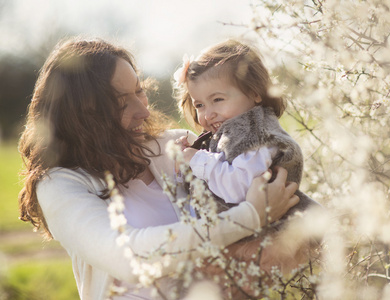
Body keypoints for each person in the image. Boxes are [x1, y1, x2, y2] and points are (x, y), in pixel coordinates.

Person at [18, 36, 300, 300]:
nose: (143, 110)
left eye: (139, 92)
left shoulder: (178, 146)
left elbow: (282, 199)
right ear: (82, 115)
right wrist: (249, 217)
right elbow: (130, 260)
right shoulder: (60, 184)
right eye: (119, 103)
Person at [173, 39, 319, 217]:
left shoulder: (255, 135)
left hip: (270, 235)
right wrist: (188, 157)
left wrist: (196, 159)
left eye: (218, 100)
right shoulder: (230, 133)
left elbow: (239, 189)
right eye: (200, 105)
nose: (208, 114)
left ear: (254, 92)